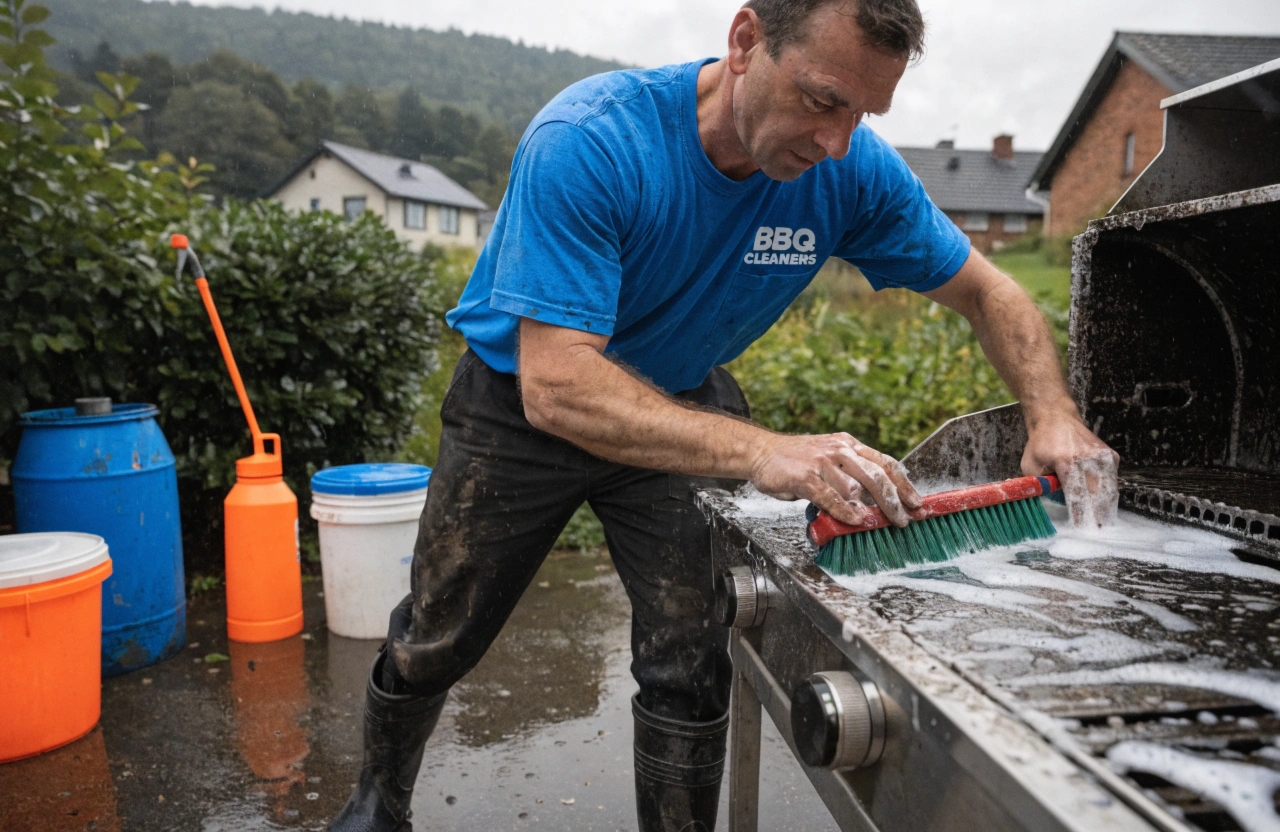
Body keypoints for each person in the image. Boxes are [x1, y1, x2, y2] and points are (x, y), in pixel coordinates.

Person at [329, 0, 1119, 829]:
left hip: (679, 403)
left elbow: (989, 291)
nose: (836, 141)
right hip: (519, 410)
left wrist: (1052, 413)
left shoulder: (850, 171)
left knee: (690, 653)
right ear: (746, 42)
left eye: (863, 113)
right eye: (822, 100)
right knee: (439, 632)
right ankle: (377, 801)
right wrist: (762, 451)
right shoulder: (592, 140)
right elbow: (556, 384)